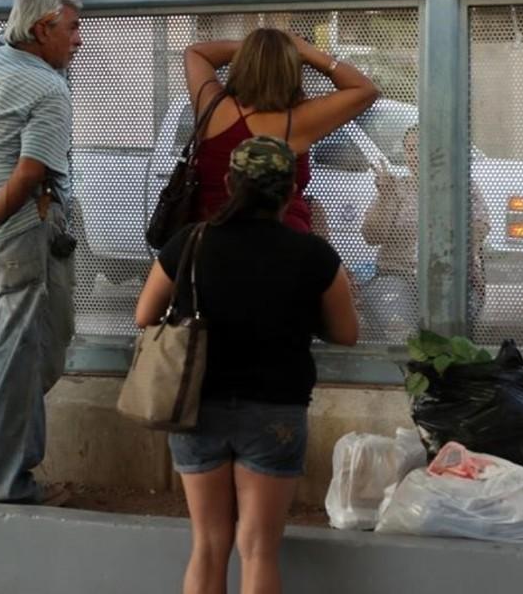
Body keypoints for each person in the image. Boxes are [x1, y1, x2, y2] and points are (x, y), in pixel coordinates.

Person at [0, 0, 129, 504]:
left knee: (7, 356)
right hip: (25, 229)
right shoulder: (48, 89)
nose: (79, 40)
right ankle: (3, 482)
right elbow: (27, 174)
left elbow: (36, 0)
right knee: (32, 360)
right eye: (72, 30)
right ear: (45, 30)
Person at [134, 137, 358, 594]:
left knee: (209, 545)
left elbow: (144, 316)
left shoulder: (190, 242)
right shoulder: (313, 255)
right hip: (275, 410)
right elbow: (346, 332)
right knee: (258, 549)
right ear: (289, 192)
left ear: (228, 182)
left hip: (196, 406)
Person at [184, 28, 379, 232]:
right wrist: (307, 52)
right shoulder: (299, 121)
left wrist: (257, 48)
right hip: (286, 243)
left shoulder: (212, 106)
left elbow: (196, 53)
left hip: (215, 243)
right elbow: (365, 90)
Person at [359, 125, 489, 337]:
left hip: (450, 276)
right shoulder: (396, 188)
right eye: (410, 149)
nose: (416, 155)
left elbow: (479, 230)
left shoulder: (463, 188)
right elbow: (372, 236)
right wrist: (386, 197)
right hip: (398, 276)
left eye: (422, 148)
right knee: (401, 333)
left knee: (446, 337)